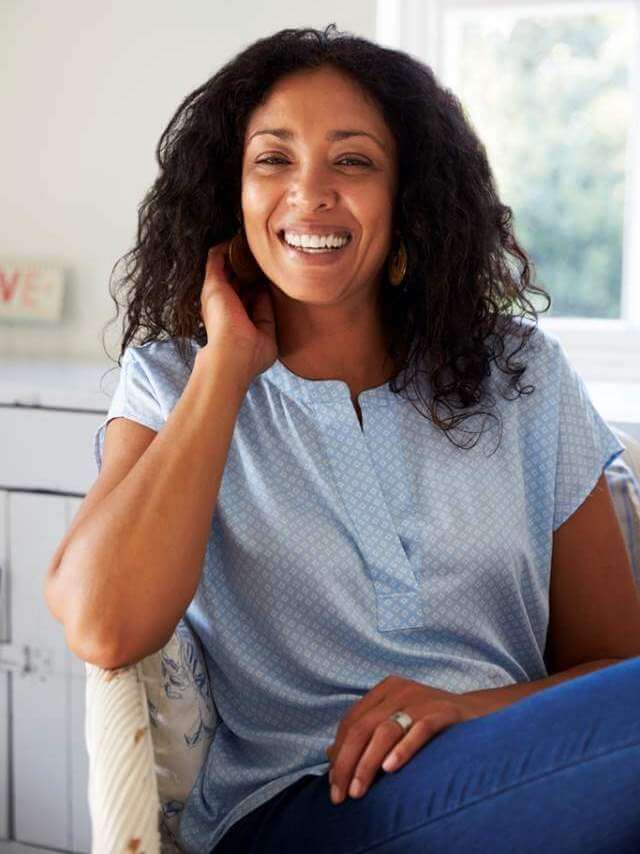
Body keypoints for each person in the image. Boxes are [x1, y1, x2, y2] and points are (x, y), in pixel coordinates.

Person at [46, 23, 640, 854]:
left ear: (408, 200)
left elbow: (618, 665)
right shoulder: (174, 382)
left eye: (353, 161)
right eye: (273, 160)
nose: (310, 193)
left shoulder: (522, 378)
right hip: (307, 807)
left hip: (525, 780)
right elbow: (104, 624)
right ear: (233, 195)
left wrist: (468, 707)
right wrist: (226, 369)